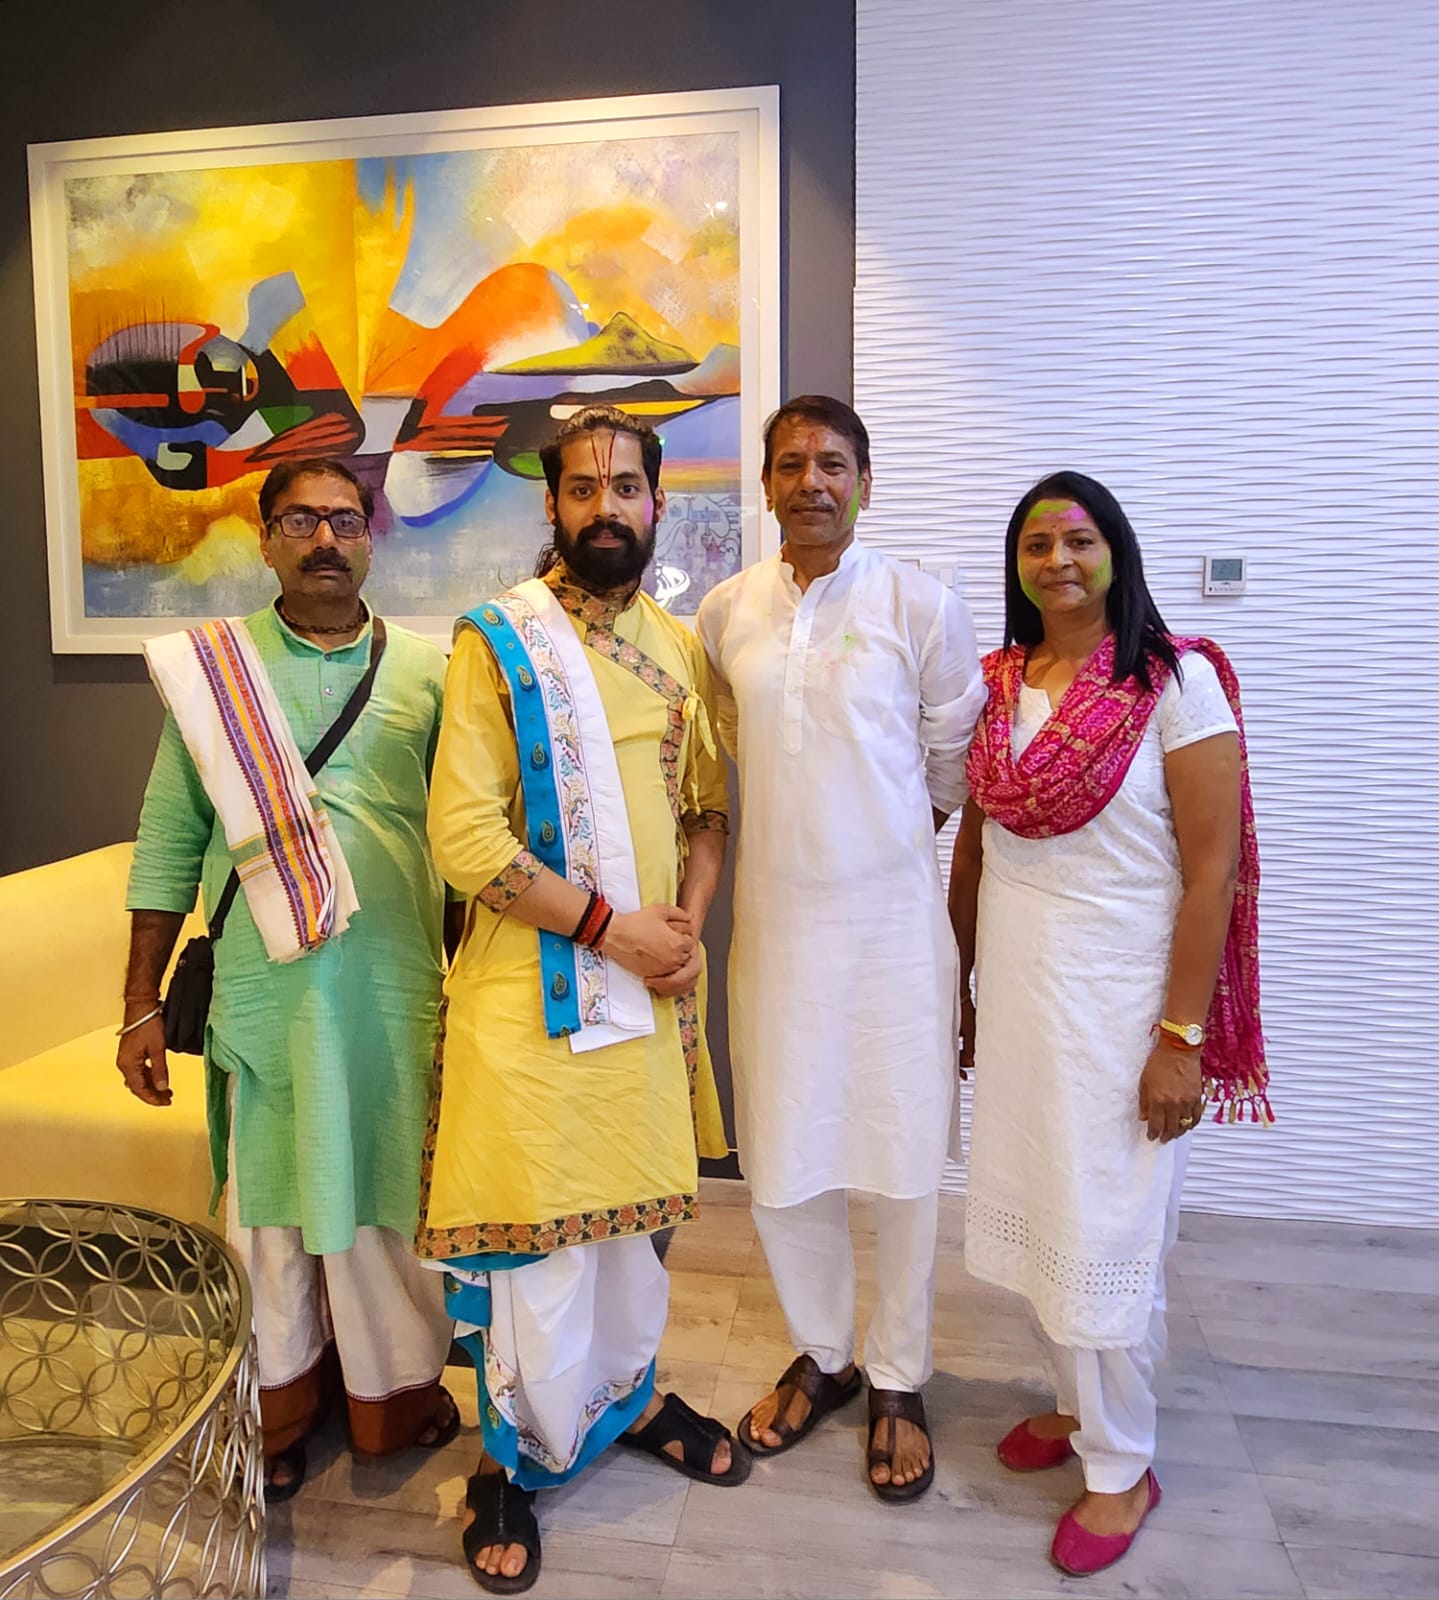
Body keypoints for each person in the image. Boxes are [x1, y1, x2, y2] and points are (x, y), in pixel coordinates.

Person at [417, 405, 744, 1594]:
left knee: (627, 1240)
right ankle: (507, 1458)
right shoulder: (498, 641)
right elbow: (464, 838)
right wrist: (612, 930)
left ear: (657, 501)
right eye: (582, 488)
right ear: (551, 504)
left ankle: (626, 1400)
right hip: (526, 998)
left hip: (647, 994)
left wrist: (684, 931)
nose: (606, 507)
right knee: (534, 1244)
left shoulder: (678, 645)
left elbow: (706, 809)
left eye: (626, 487)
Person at [116, 457, 458, 1502]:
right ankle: (278, 1412)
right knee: (267, 1210)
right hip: (264, 996)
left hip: (392, 993)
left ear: (370, 538)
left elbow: (463, 846)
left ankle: (392, 1397)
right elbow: (167, 841)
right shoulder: (214, 675)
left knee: (386, 1200)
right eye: (300, 521)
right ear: (264, 540)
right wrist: (136, 1004)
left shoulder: (429, 671)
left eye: (345, 521)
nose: (324, 540)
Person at [950, 471, 1269, 1576]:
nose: (1057, 561)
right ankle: (1079, 1407)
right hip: (1023, 1003)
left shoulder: (1173, 682)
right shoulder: (1001, 684)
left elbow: (1212, 869)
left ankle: (1121, 1464)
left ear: (1116, 554)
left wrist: (1179, 1040)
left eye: (1078, 540)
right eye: (1036, 544)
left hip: (1120, 1008)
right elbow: (976, 845)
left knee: (1106, 1234)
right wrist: (960, 986)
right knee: (1051, 1215)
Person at [696, 395, 985, 1501]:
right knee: (783, 1154)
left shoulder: (921, 603)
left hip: (893, 933)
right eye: (790, 464)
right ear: (766, 485)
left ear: (865, 482)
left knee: (902, 1159)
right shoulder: (725, 611)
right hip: (775, 932)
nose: (810, 481)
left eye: (832, 463)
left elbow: (952, 758)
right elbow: (727, 748)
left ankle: (898, 1375)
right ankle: (824, 1355)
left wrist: (883, 843)